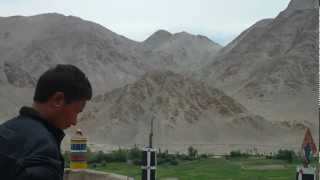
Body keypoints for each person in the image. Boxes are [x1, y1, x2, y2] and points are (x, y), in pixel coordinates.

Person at [0, 64, 92, 180]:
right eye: (76, 112)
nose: (74, 122)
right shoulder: (43, 150)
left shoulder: (6, 128)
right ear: (58, 100)